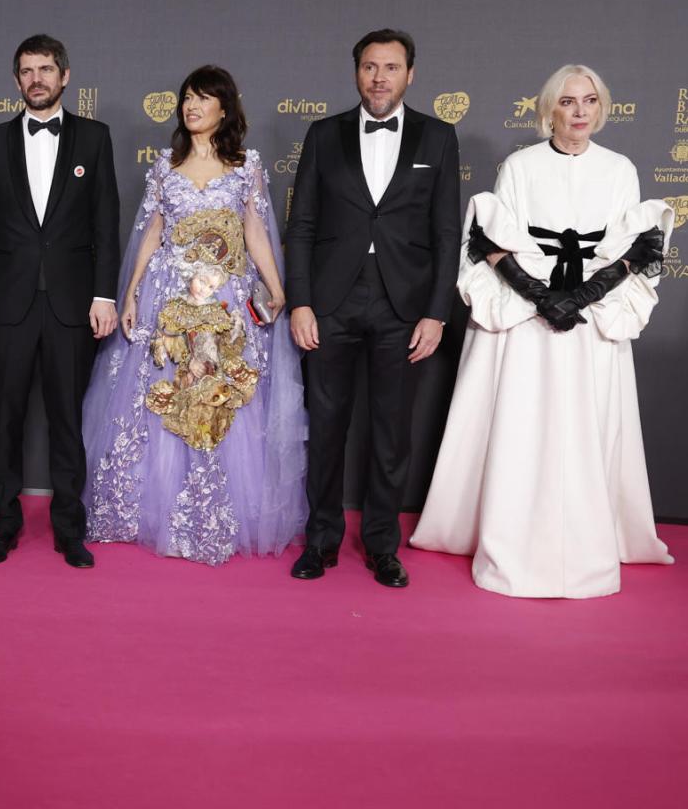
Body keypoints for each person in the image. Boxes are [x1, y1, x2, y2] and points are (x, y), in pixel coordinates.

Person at [410, 64, 674, 598]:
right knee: (523, 422)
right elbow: (491, 240)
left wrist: (580, 298)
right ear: (549, 108)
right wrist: (541, 298)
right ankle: (510, 536)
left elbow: (633, 247)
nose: (580, 112)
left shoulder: (620, 168)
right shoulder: (519, 166)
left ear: (601, 108)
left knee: (587, 423)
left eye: (590, 101)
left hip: (589, 322)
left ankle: (586, 538)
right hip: (528, 316)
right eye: (569, 102)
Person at [83, 66, 306, 565]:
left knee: (224, 396)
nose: (191, 106)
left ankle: (220, 512)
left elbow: (254, 233)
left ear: (224, 109)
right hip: (168, 301)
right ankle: (148, 511)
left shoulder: (246, 167)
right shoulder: (165, 166)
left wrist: (275, 288)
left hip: (226, 303)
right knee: (160, 395)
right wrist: (134, 291)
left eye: (203, 98)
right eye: (187, 97)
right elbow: (151, 231)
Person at [283, 29, 460, 588]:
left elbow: (447, 232)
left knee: (390, 433)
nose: (378, 77)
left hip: (403, 306)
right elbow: (302, 226)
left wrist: (436, 312)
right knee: (327, 426)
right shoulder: (323, 134)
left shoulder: (438, 137)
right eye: (368, 66)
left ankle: (383, 545)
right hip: (331, 303)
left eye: (390, 67)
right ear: (355, 72)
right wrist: (302, 302)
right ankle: (321, 541)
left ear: (411, 75)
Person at [0, 34, 119, 568]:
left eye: (46, 69)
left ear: (65, 76)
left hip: (72, 306)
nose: (37, 79)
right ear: (16, 81)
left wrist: (103, 295)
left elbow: (106, 223)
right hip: (7, 305)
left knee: (65, 423)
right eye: (27, 71)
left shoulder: (95, 138)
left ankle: (68, 529)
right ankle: (2, 525)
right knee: (3, 420)